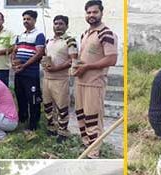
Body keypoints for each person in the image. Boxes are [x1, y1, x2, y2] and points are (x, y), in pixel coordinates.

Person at [74, 0, 118, 158]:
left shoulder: (106, 33)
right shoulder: (84, 34)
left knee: (93, 119)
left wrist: (87, 67)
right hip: (80, 81)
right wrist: (78, 68)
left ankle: (94, 154)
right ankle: (87, 147)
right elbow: (84, 58)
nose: (91, 15)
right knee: (81, 116)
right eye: (88, 12)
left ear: (101, 13)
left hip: (95, 83)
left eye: (95, 12)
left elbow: (111, 59)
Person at [42, 15, 78, 143]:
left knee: (62, 106)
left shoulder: (70, 40)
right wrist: (45, 63)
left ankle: (63, 132)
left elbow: (72, 60)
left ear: (66, 26)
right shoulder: (49, 41)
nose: (58, 26)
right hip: (47, 78)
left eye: (61, 24)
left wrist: (56, 68)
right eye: (56, 23)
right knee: (47, 105)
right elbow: (46, 57)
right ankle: (51, 128)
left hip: (60, 79)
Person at [12, 10, 45, 138]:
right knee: (20, 96)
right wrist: (14, 62)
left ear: (34, 20)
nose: (26, 21)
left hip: (31, 74)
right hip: (19, 73)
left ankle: (33, 124)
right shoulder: (20, 35)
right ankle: (22, 120)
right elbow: (14, 50)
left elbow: (39, 54)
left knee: (33, 99)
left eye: (28, 19)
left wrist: (24, 65)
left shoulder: (39, 35)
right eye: (24, 19)